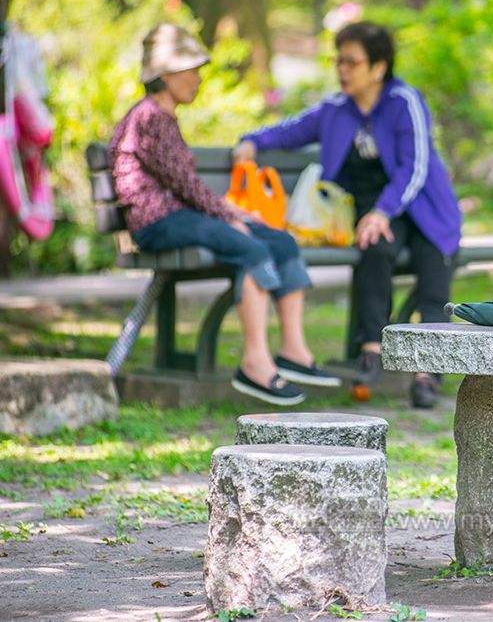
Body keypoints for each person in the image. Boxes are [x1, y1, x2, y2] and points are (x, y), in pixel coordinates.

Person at [233, 21, 461, 409]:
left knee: (432, 267)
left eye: (351, 62)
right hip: (375, 212)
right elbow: (292, 131)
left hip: (422, 205)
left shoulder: (405, 101)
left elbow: (415, 166)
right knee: (375, 249)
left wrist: (383, 211)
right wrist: (252, 141)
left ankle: (429, 372)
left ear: (378, 67)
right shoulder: (336, 109)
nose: (342, 69)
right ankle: (370, 349)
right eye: (339, 61)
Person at [110, 23, 341, 406]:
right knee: (250, 248)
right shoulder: (149, 116)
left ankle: (294, 352)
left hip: (182, 218)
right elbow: (184, 185)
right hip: (159, 223)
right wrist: (229, 216)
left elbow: (186, 187)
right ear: (165, 74)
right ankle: (254, 362)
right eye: (191, 69)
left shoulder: (163, 117)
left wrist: (230, 215)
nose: (198, 79)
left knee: (280, 241)